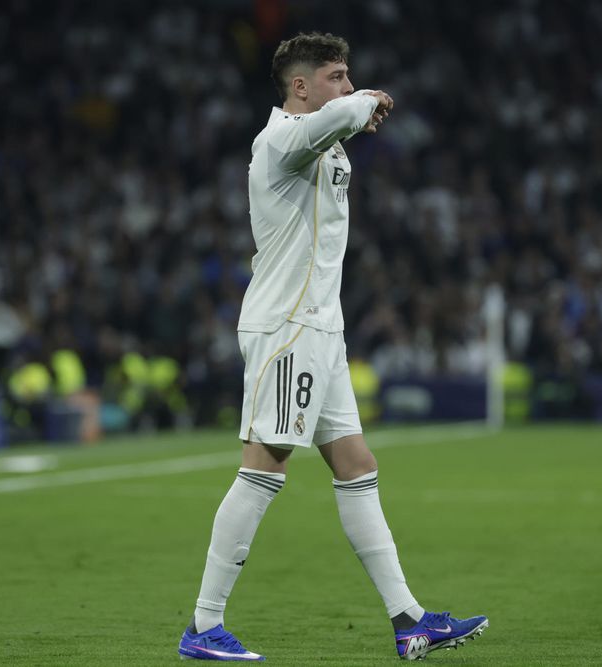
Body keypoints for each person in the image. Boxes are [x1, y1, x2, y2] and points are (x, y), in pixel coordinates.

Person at [178, 32, 487, 662]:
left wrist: (354, 110)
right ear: (301, 87)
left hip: (323, 328)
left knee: (357, 465)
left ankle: (410, 620)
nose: (348, 88)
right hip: (288, 326)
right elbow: (347, 114)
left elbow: (341, 124)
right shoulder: (278, 141)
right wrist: (368, 99)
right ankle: (204, 626)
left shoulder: (323, 143)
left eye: (350, 77)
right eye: (337, 76)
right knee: (265, 464)